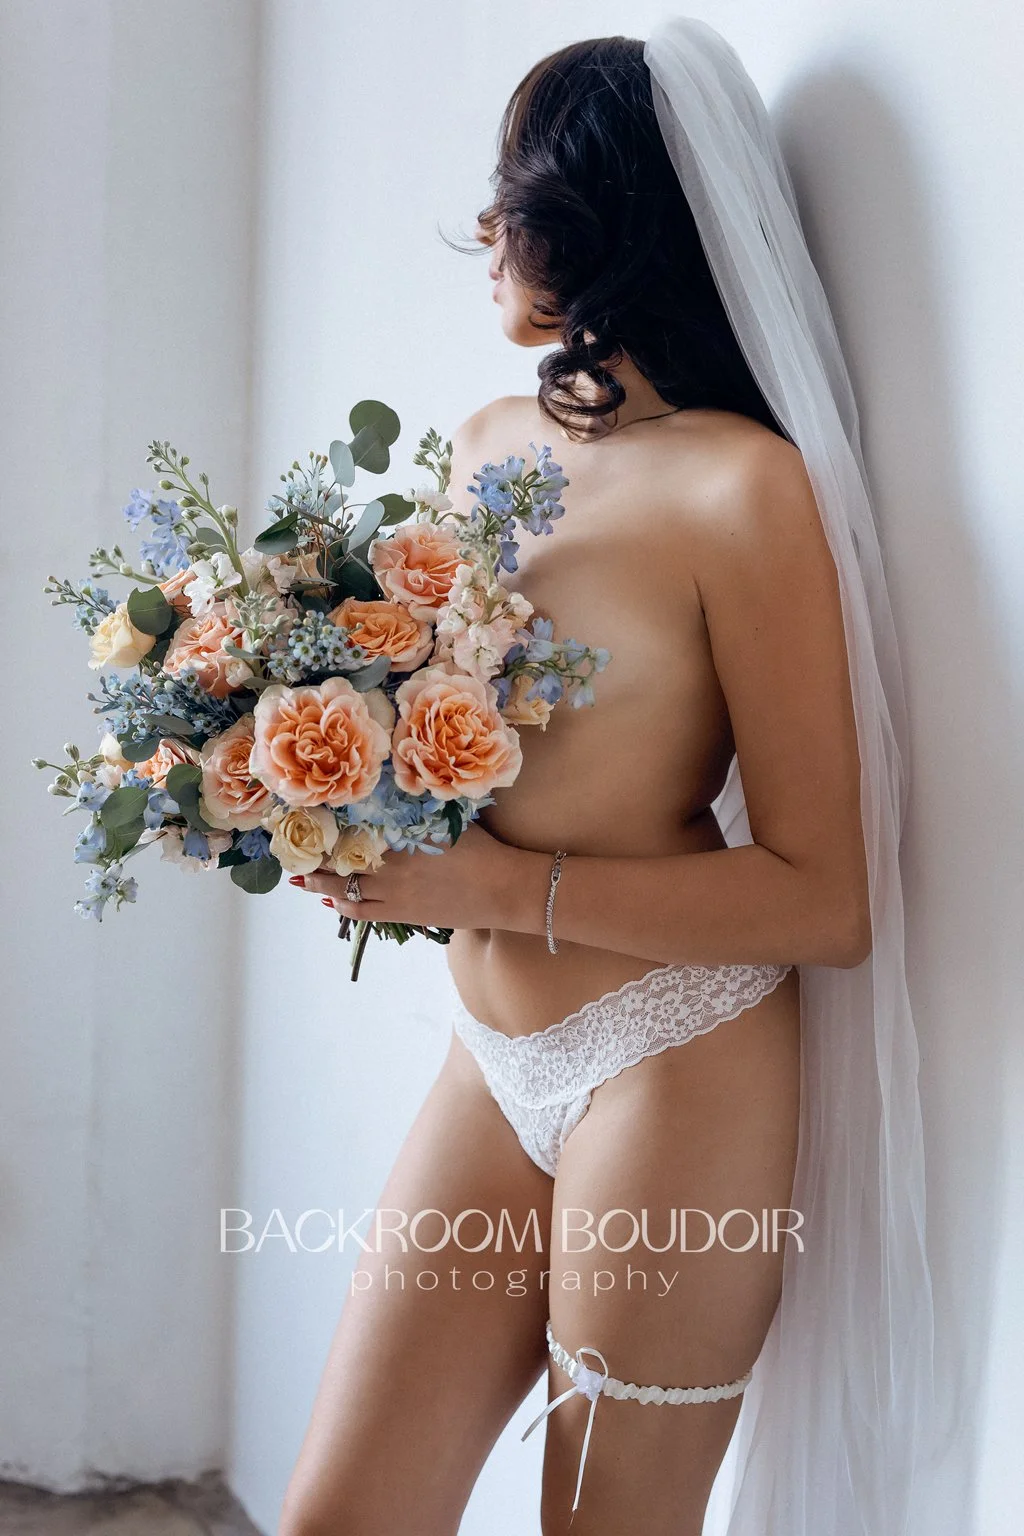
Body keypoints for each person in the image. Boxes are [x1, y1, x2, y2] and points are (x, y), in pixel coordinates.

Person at [280, 20, 934, 1536]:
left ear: (602, 229)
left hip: (671, 1059)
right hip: (489, 1060)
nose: (488, 237)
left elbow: (828, 899)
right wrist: (309, 781)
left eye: (514, 205)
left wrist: (486, 884)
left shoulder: (743, 488)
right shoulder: (486, 446)